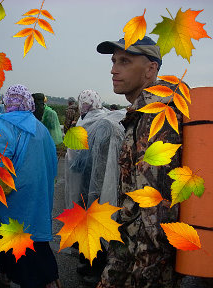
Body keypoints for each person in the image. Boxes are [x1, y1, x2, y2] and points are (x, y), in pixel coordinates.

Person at [94, 36, 191, 287]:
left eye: (125, 61)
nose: (114, 69)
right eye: (114, 61)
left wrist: (142, 277)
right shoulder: (141, 114)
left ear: (151, 69)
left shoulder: (157, 117)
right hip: (131, 253)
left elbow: (157, 217)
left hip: (146, 265)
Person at [0, 84, 61, 288]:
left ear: (7, 102)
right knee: (29, 232)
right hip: (40, 190)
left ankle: (44, 280)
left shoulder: (2, 125)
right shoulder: (40, 127)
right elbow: (53, 161)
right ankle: (4, 271)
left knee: (21, 239)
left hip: (15, 194)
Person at [65, 89, 125, 285]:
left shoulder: (92, 123)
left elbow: (78, 156)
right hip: (99, 179)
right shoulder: (104, 117)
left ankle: (95, 268)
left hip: (93, 180)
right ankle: (89, 263)